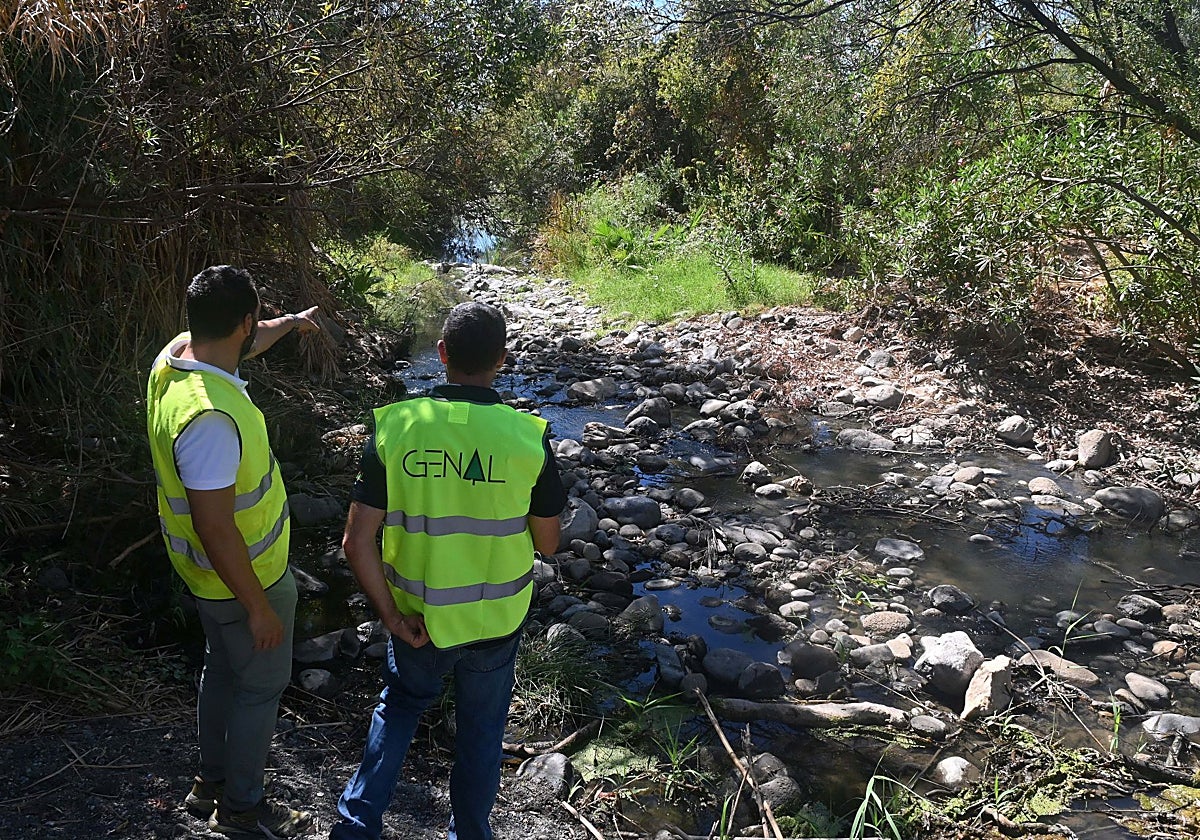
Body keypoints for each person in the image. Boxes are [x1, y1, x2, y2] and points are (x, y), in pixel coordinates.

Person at [330, 301, 566, 840]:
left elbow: (355, 542)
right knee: (481, 734)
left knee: (399, 709)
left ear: (441, 354)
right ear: (501, 360)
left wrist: (389, 616)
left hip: (418, 619)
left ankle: (355, 827)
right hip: (494, 622)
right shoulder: (527, 437)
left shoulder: (397, 427)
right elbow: (549, 544)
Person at [146, 265, 319, 837]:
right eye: (254, 323)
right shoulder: (212, 421)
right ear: (242, 322)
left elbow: (254, 338)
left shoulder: (176, 357)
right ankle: (242, 808)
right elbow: (216, 527)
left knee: (221, 669)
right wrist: (259, 608)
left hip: (202, 578)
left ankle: (210, 783)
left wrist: (292, 322)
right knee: (260, 688)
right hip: (246, 580)